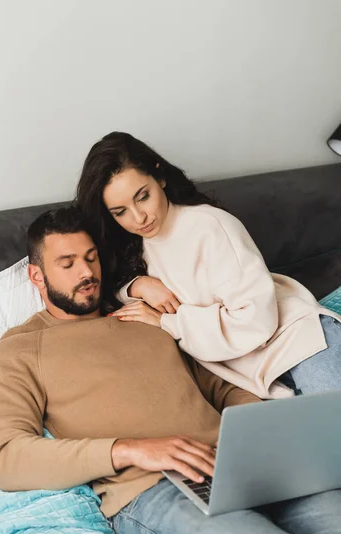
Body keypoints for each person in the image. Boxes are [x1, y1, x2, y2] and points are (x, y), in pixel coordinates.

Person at [0, 207, 341, 534]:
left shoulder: (145, 320)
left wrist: (257, 428)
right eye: (66, 264)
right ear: (37, 275)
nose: (86, 273)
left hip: (245, 464)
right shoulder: (20, 349)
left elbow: (219, 386)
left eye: (91, 257)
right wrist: (128, 450)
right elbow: (4, 455)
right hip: (156, 490)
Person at [76, 132, 341, 399]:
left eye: (143, 196)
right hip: (260, 375)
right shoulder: (135, 246)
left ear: (161, 177)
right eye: (120, 212)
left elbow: (256, 320)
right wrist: (138, 286)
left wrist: (170, 323)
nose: (138, 217)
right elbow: (107, 295)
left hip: (301, 346)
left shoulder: (209, 227)